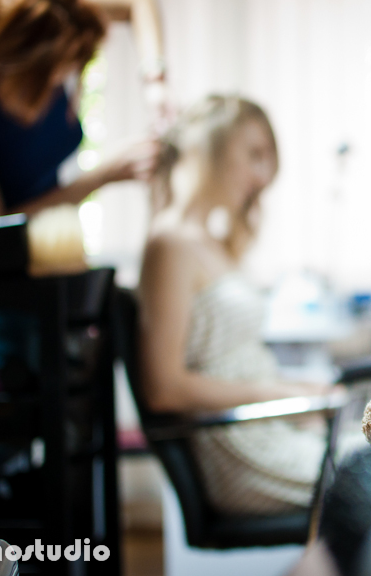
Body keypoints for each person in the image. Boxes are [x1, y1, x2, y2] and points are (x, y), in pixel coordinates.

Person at [0, 0, 167, 386]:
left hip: (56, 272)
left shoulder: (59, 20)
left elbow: (138, 1)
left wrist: (155, 83)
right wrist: (101, 176)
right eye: (60, 70)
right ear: (25, 62)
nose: (64, 82)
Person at [139, 96, 339, 515]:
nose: (262, 176)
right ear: (210, 147)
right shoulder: (170, 243)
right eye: (253, 155)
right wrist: (279, 394)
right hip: (240, 444)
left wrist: (299, 393)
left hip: (266, 427)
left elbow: (235, 363)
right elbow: (164, 389)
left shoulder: (212, 244)